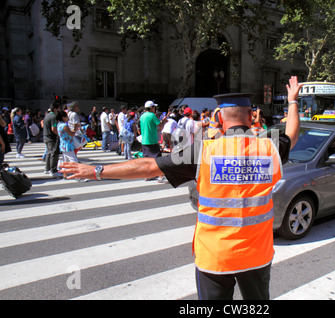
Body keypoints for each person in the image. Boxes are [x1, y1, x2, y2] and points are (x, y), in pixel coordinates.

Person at [60, 76, 303, 300]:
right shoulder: (270, 147)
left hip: (214, 255)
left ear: (218, 118)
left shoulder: (202, 151)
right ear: (252, 115)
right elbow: (292, 134)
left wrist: (96, 171)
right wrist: (292, 101)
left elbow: (147, 167)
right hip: (257, 254)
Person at [56, 111, 78, 179]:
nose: (67, 118)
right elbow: (71, 134)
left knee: (66, 161)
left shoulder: (59, 125)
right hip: (68, 145)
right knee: (74, 161)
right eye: (66, 117)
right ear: (63, 117)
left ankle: (65, 174)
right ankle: (78, 176)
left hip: (63, 145)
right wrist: (75, 129)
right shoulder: (64, 126)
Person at [43, 103, 61, 177]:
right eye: (58, 109)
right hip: (51, 137)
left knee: (48, 153)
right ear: (55, 109)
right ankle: (53, 170)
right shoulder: (53, 116)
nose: (59, 110)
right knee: (54, 153)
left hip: (46, 136)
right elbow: (53, 128)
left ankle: (47, 169)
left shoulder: (47, 116)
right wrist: (58, 134)